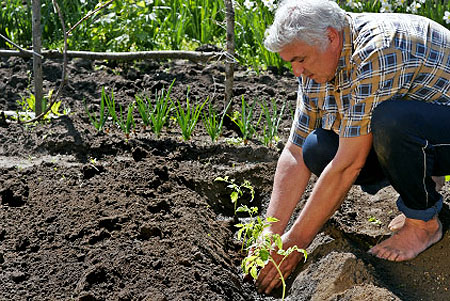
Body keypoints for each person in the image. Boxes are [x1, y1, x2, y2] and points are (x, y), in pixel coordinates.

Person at [255, 0, 450, 295]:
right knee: (316, 148)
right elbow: (294, 152)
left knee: (391, 123)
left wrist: (296, 243)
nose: (296, 71)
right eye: (290, 62)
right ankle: (426, 190)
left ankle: (423, 225)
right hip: (432, 123)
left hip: (437, 125)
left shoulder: (376, 50)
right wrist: (272, 229)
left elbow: (349, 164)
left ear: (331, 37)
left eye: (301, 59)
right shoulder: (317, 60)